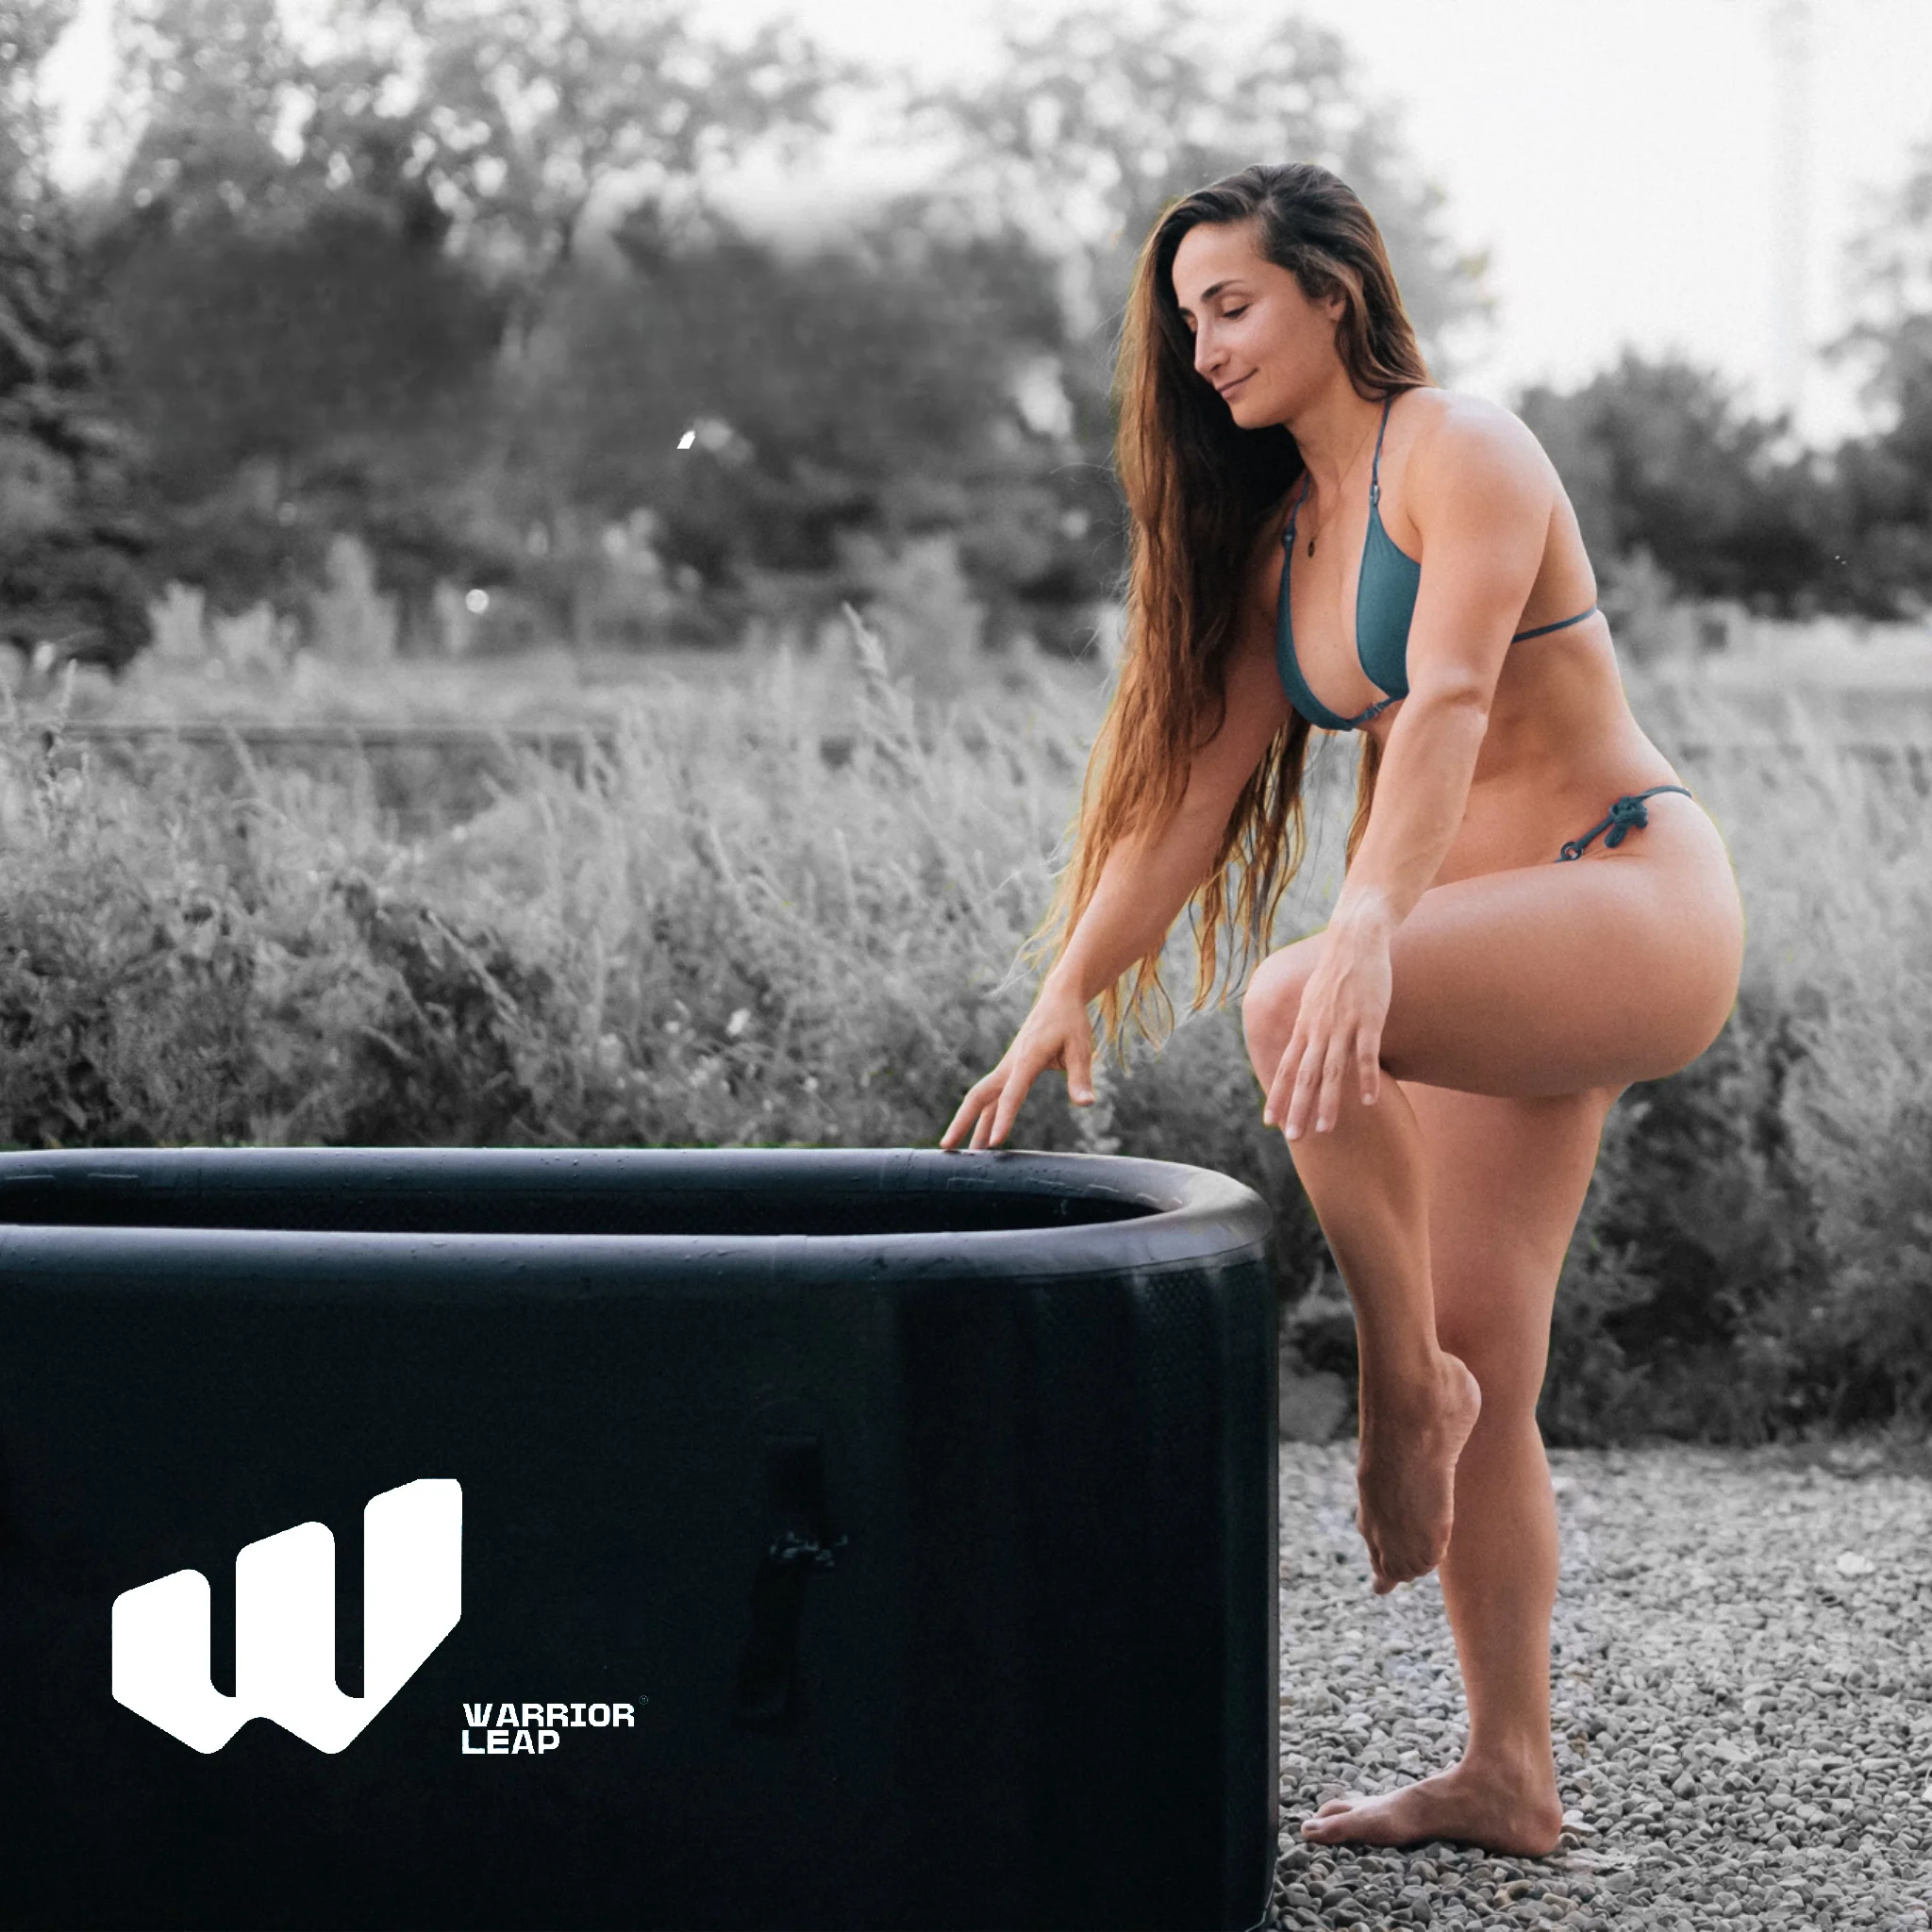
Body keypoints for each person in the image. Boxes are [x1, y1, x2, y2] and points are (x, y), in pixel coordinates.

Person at [938, 160, 1745, 1857]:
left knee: (1302, 1000)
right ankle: (1510, 1774)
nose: (1207, 346)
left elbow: (1449, 698)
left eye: (1233, 304)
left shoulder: (1463, 448)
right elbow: (1195, 797)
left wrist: (1369, 922)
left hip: (1629, 894)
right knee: (1494, 1354)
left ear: (1334, 296)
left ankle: (1392, 1391)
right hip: (1483, 942)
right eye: (1187, 322)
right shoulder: (1282, 545)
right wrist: (1058, 997)